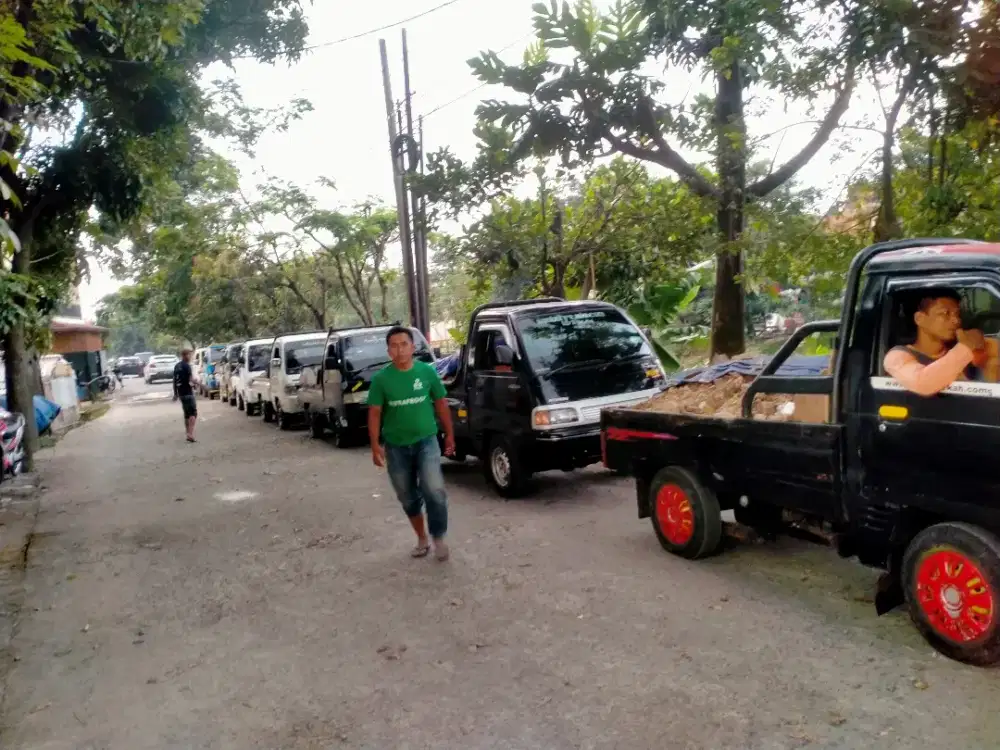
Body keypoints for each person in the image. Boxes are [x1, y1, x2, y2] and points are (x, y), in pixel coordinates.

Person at [368, 326, 456, 561]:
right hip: (396, 446)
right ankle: (421, 538)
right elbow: (375, 413)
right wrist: (375, 445)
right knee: (407, 496)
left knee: (434, 489)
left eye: (404, 344)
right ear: (389, 351)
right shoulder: (381, 380)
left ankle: (438, 537)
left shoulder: (426, 372)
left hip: (426, 441)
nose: (400, 350)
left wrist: (450, 434)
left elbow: (441, 403)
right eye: (394, 346)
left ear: (413, 347)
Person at [883, 290, 992, 396]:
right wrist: (966, 347)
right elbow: (923, 383)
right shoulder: (897, 356)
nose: (956, 320)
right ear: (919, 318)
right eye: (945, 313)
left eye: (957, 314)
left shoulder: (958, 351)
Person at [173, 346, 198, 442]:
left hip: (181, 394)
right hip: (188, 393)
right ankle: (190, 434)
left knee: (187, 414)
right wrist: (197, 384)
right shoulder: (187, 366)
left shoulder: (177, 366)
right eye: (189, 355)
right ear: (185, 355)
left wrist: (175, 394)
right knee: (193, 413)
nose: (190, 357)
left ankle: (188, 433)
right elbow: (191, 380)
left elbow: (174, 381)